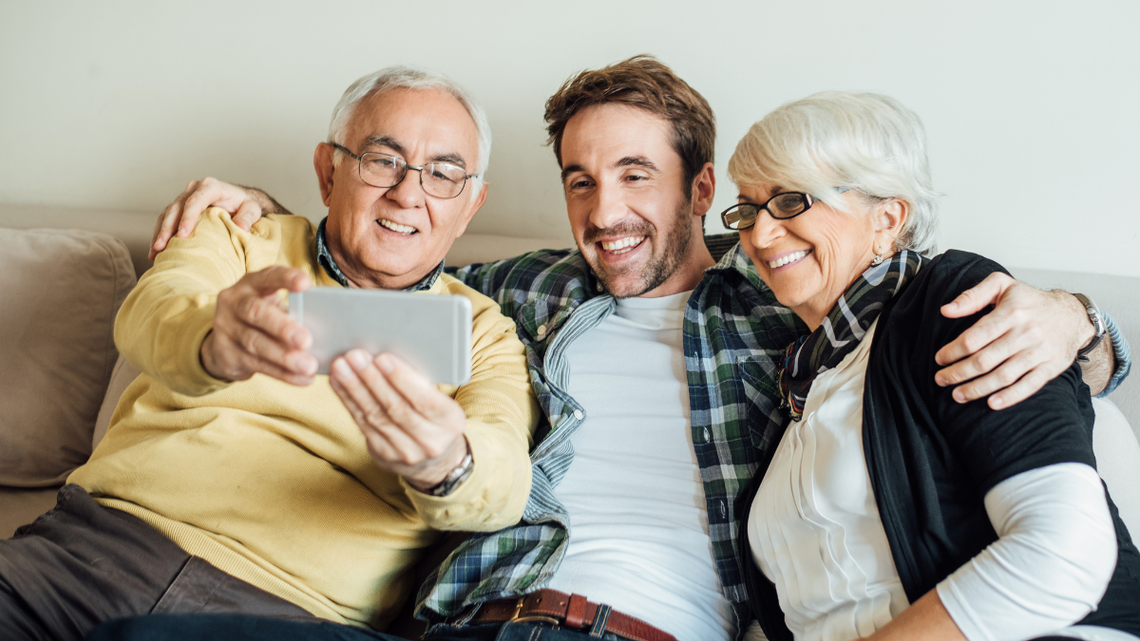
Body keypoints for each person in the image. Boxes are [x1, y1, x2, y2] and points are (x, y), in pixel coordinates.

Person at [91, 57, 1130, 641]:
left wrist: (1084, 320)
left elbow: (933, 320)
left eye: (637, 174)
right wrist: (266, 207)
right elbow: (386, 251)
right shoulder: (518, 295)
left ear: (701, 185)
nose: (606, 209)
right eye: (582, 180)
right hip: (468, 622)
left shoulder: (791, 305)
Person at [0, 66, 539, 641]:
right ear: (328, 172)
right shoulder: (237, 237)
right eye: (383, 161)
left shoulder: (484, 333)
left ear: (470, 205)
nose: (408, 194)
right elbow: (153, 311)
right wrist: (211, 340)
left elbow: (503, 477)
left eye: (443, 174)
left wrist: (445, 462)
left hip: (291, 612)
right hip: (86, 555)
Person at [728, 92, 1139, 640]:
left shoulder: (955, 305)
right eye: (748, 210)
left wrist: (1079, 316)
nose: (759, 235)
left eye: (790, 201)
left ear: (888, 218)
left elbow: (1062, 554)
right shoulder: (803, 378)